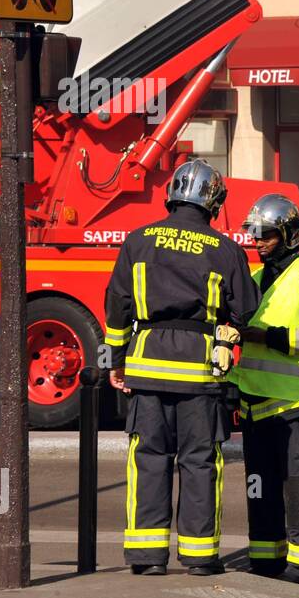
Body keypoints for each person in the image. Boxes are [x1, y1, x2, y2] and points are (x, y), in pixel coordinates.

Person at [103, 158, 257, 576]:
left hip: (147, 364)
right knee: (199, 461)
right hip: (198, 371)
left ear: (171, 195)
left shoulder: (137, 241)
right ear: (213, 201)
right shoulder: (224, 248)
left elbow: (117, 305)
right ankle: (200, 557)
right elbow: (246, 309)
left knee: (149, 458)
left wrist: (117, 363)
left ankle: (147, 557)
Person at [230, 194, 299, 584]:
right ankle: (265, 556)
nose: (258, 242)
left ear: (290, 236)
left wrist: (267, 336)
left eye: (267, 236)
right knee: (260, 486)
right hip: (257, 406)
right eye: (254, 235)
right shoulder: (254, 281)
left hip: (297, 404)